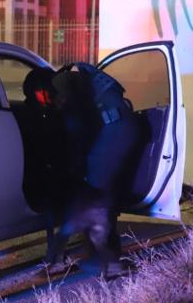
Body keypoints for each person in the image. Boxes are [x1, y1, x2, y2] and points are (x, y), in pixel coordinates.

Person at [40, 63, 142, 280]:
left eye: (53, 98)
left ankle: (108, 261)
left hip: (114, 134)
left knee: (95, 195)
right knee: (96, 197)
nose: (54, 102)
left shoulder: (70, 95)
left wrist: (73, 166)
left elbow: (80, 135)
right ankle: (103, 258)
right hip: (120, 129)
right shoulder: (84, 82)